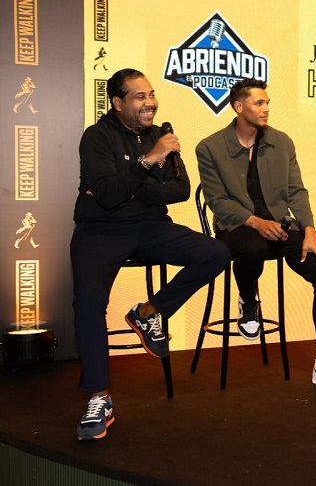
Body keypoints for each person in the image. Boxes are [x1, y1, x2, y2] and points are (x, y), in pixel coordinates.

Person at [71, 68, 231, 441]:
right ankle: (99, 397)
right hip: (101, 230)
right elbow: (108, 198)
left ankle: (148, 313)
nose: (151, 103)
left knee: (217, 253)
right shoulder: (96, 138)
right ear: (118, 103)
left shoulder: (161, 134)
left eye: (152, 94)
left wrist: (129, 187)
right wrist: (147, 163)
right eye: (140, 97)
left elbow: (180, 190)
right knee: (88, 300)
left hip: (151, 227)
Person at [195, 79, 316, 395]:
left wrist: (309, 231)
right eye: (259, 103)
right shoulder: (209, 147)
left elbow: (296, 191)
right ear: (239, 107)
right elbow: (216, 200)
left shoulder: (282, 142)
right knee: (250, 248)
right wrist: (254, 221)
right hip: (235, 227)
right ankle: (249, 299)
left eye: (267, 103)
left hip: (281, 227)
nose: (266, 109)